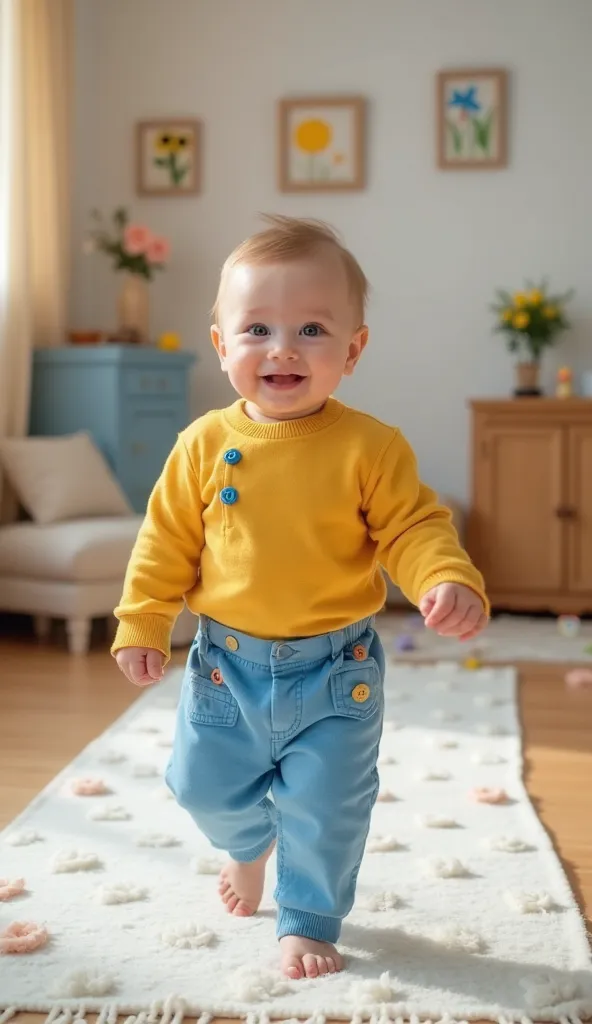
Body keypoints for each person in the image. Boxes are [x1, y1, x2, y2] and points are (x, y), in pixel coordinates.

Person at [112, 215, 488, 981]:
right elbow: (163, 543)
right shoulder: (202, 446)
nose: (282, 348)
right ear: (222, 347)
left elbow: (413, 527)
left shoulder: (369, 447)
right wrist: (144, 620)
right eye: (257, 328)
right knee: (198, 785)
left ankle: (307, 917)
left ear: (353, 350)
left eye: (311, 328)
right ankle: (250, 845)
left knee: (327, 809)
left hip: (334, 671)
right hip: (225, 667)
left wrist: (444, 578)